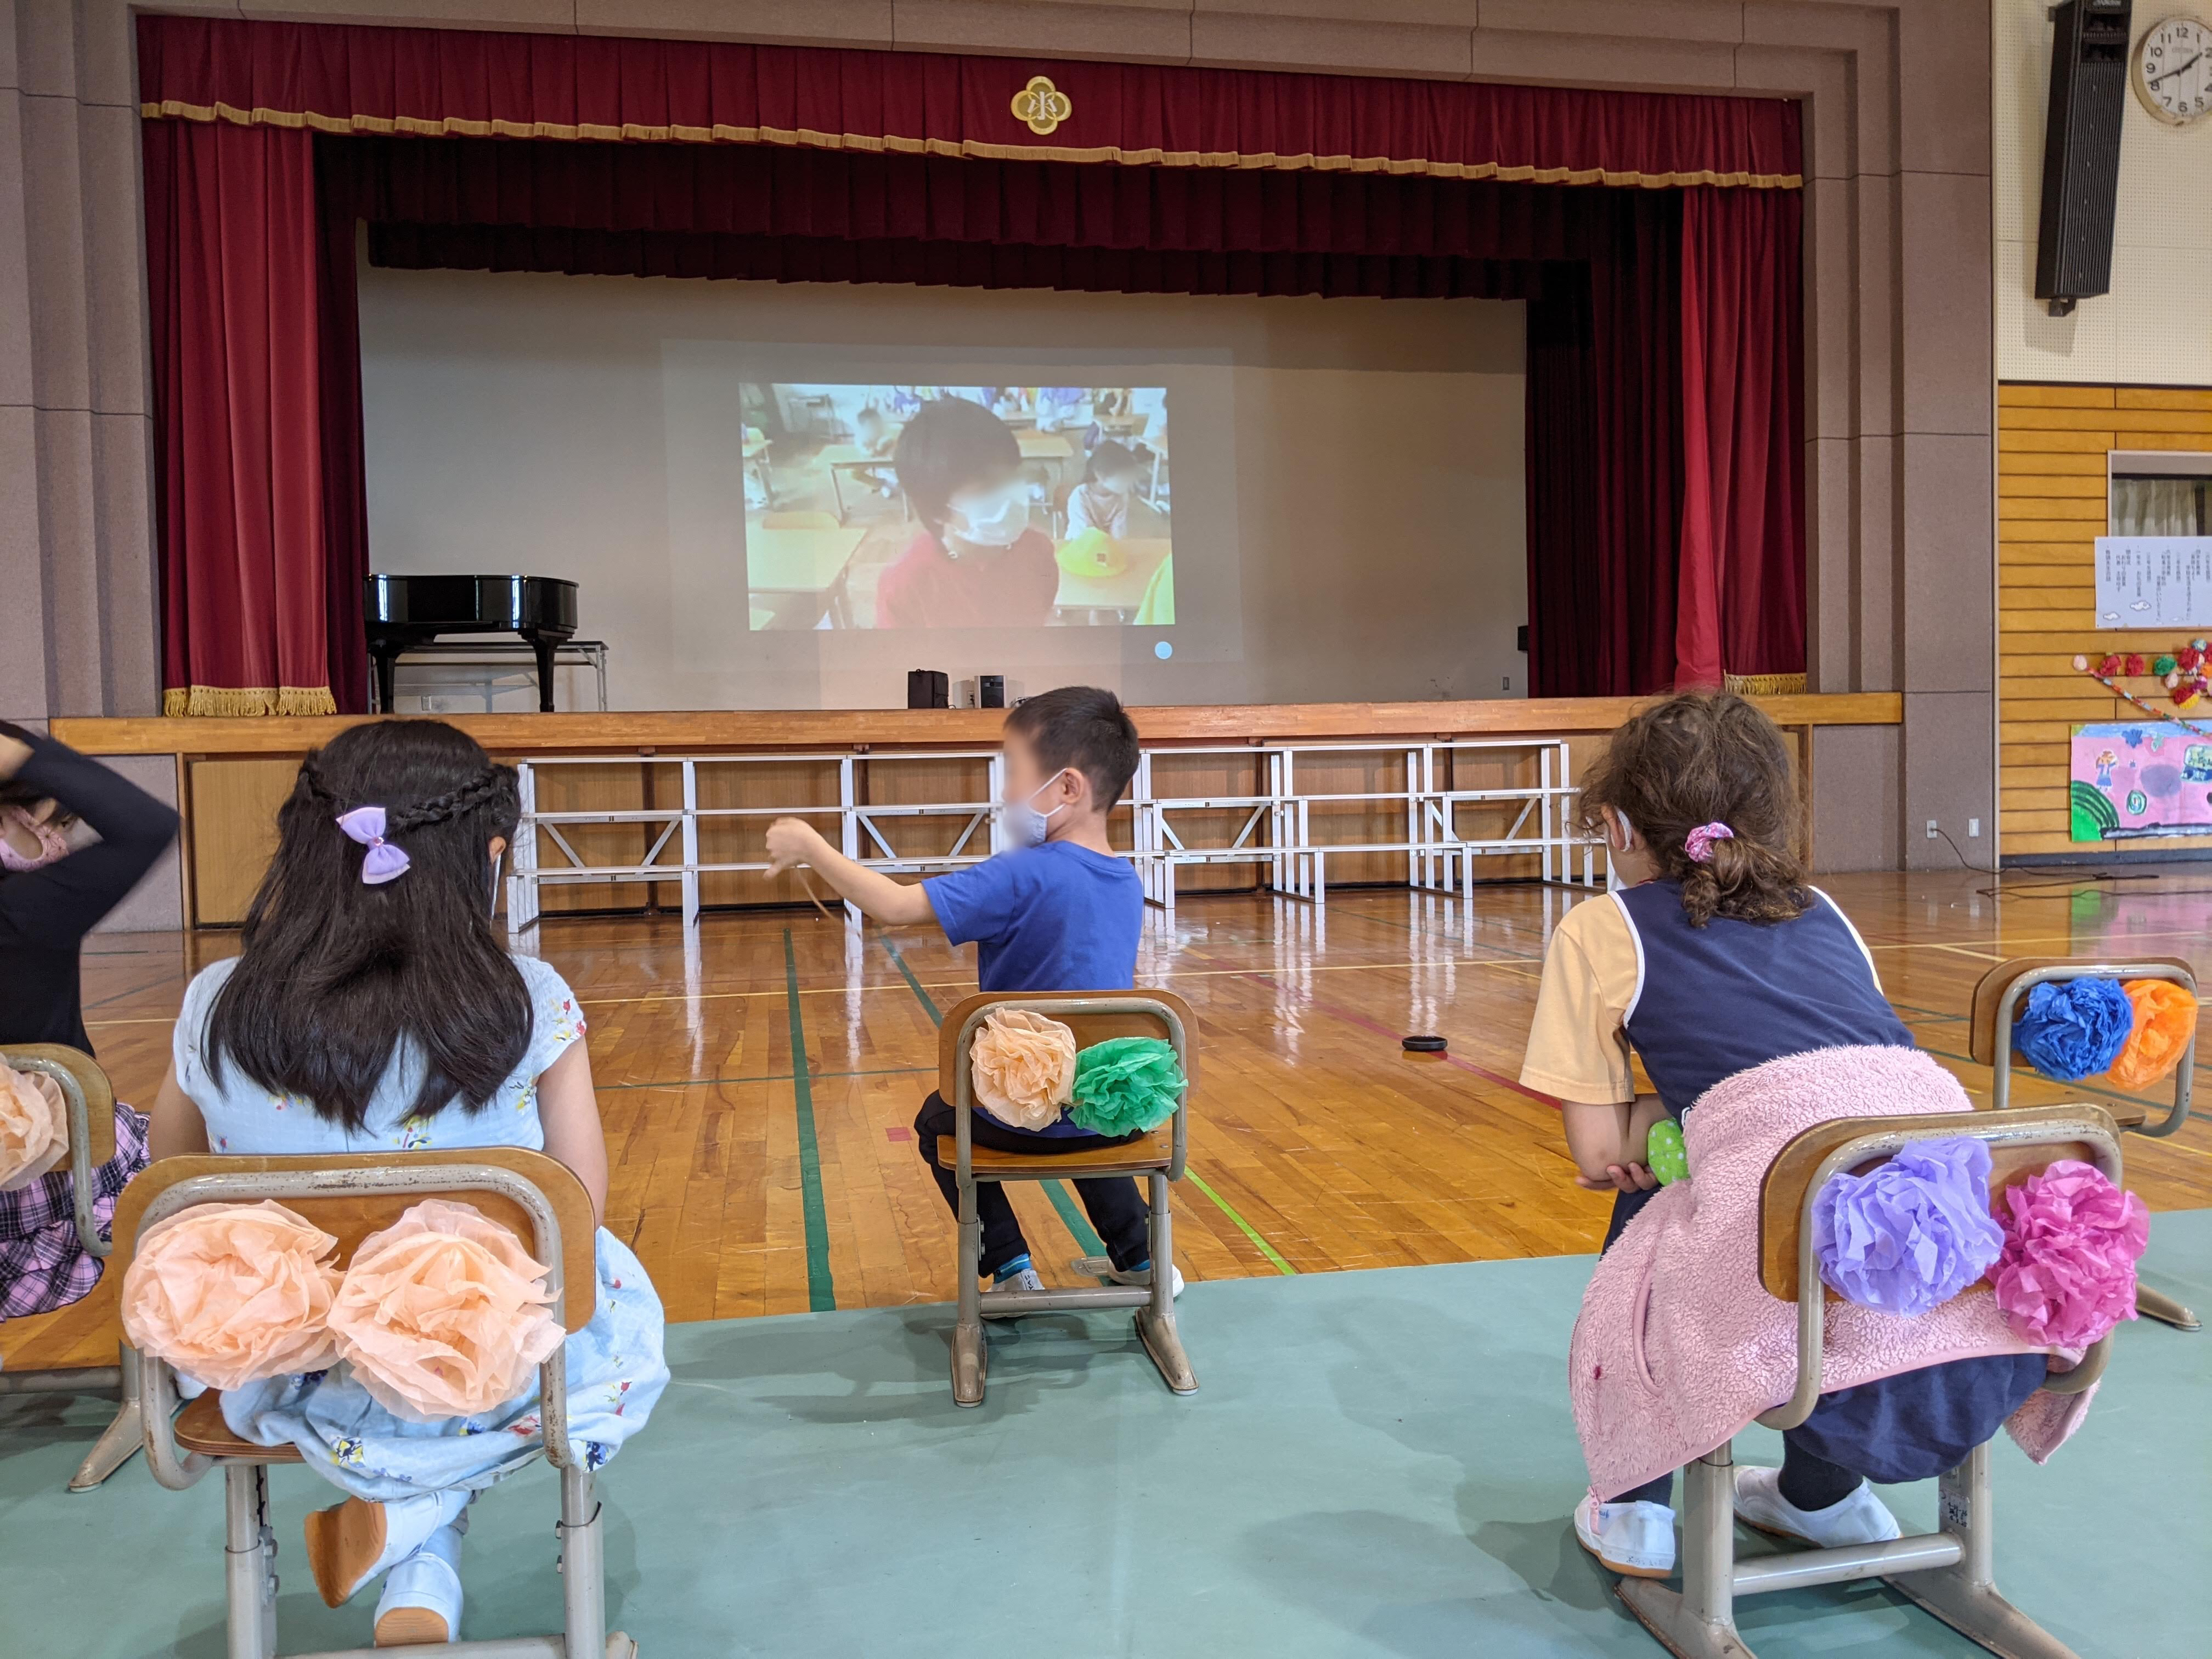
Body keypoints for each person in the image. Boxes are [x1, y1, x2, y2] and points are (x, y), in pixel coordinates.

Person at [143, 720, 667, 1646]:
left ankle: (418, 1577)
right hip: (479, 1353)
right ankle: (412, 1529)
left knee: (407, 1346)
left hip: (275, 1350)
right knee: (578, 1307)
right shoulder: (529, 997)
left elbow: (171, 1187)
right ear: (491, 854)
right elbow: (575, 1204)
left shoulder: (214, 998)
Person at [1517, 693, 2046, 1579]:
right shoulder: (1822, 907)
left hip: (1785, 1198)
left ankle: (1637, 1504)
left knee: (1645, 1225)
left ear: (1612, 824)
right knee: (1834, 1246)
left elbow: (1600, 1155)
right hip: (1937, 1185)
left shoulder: (1601, 926)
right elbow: (1850, 1058)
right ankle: (1825, 1496)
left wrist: (1657, 1116)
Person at [763, 686, 1180, 1300]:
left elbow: (896, 908)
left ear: (1066, 788)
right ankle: (1142, 1259)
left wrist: (812, 847)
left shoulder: (1021, 873)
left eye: (1013, 772)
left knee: (938, 1124)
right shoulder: (1125, 880)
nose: (1007, 792)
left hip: (1023, 1114)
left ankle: (1011, 1269)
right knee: (1079, 1110)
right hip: (1108, 1111)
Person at [1, 723, 176, 1321]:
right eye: (39, 822)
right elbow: (147, 825)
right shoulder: (25, 914)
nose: (53, 840)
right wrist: (28, 754)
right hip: (40, 1193)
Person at [874, 398, 1058, 629]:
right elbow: (902, 662)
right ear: (938, 510)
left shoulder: (1038, 551)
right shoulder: (906, 586)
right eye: (988, 487)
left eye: (1013, 476)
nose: (1011, 495)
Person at [1064, 441, 1142, 539]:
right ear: (1100, 475)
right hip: (1079, 545)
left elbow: (1119, 532)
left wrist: (1115, 548)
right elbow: (1083, 534)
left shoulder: (1122, 496)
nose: (1129, 483)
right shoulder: (1080, 496)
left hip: (1105, 546)